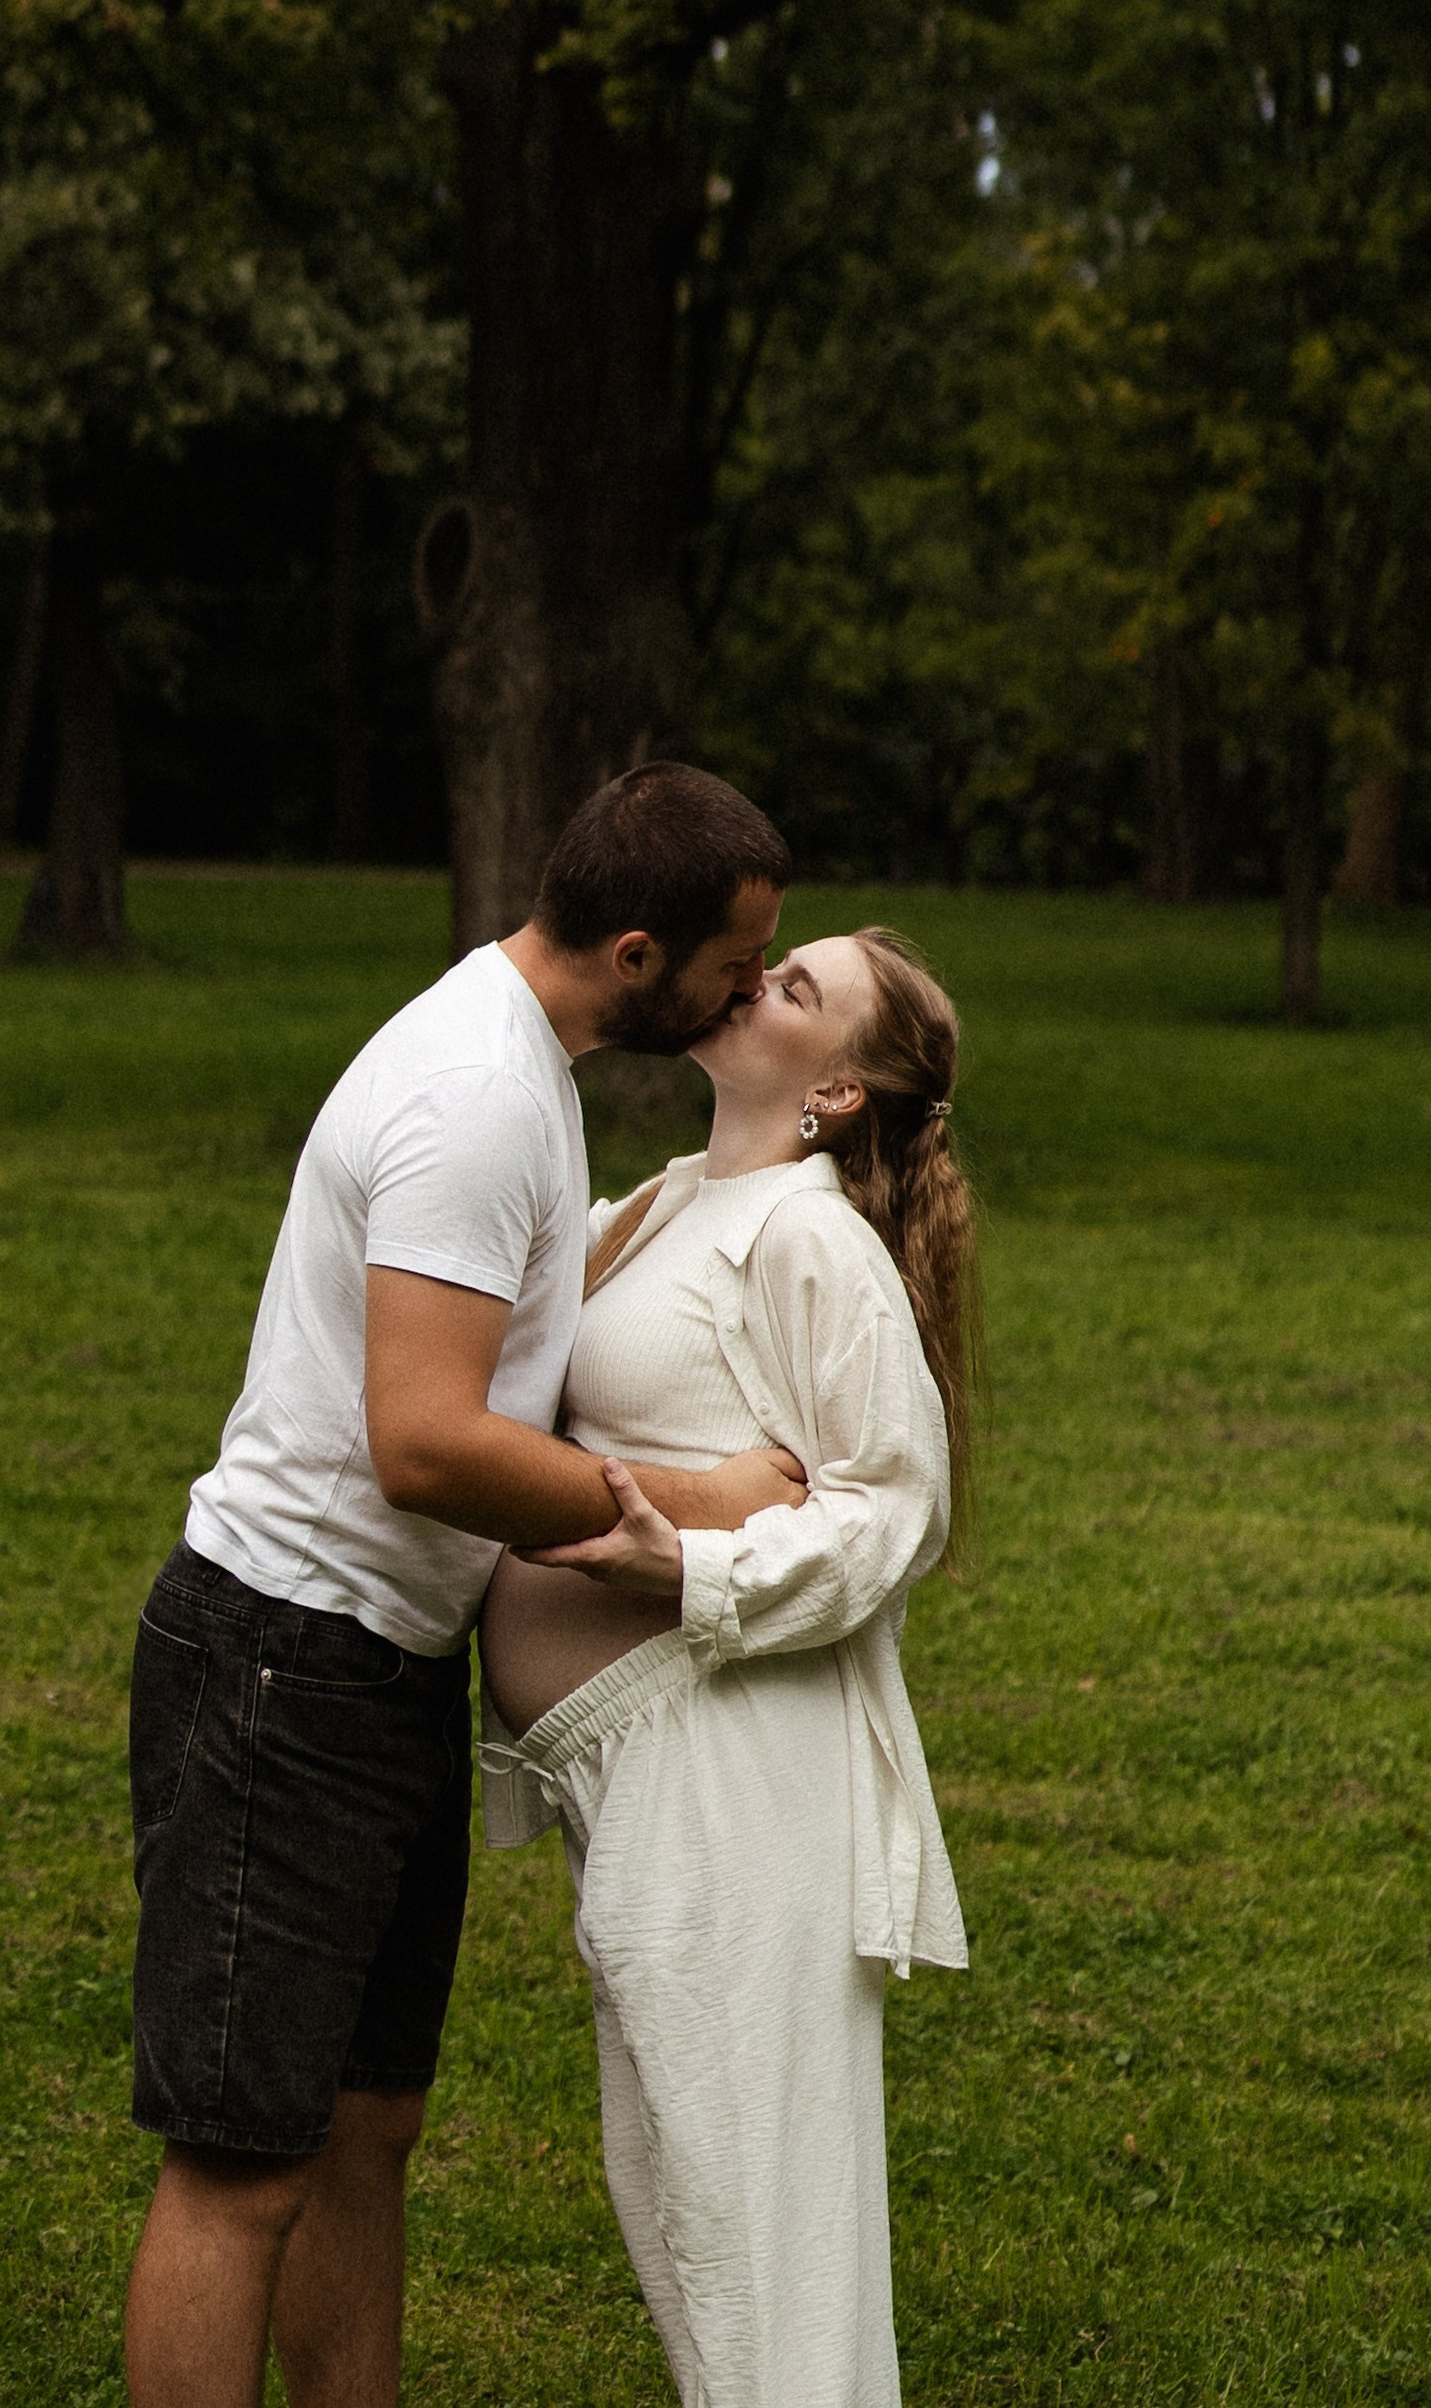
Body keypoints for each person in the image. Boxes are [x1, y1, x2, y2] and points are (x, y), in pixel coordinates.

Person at [121, 760, 799, 2408]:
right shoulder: (476, 1094)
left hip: (376, 1667)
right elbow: (424, 1440)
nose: (746, 992)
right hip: (283, 1660)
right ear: (638, 955)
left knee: (364, 2131)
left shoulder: (524, 1070)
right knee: (243, 2165)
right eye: (732, 961)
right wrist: (696, 1504)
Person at [480, 923, 976, 2408]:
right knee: (688, 2213)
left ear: (835, 1094)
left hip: (736, 1775)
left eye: (800, 988)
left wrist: (684, 1561)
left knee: (756, 2238)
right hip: (640, 1774)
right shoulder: (674, 1204)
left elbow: (895, 1506)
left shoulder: (809, 1236)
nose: (757, 977)